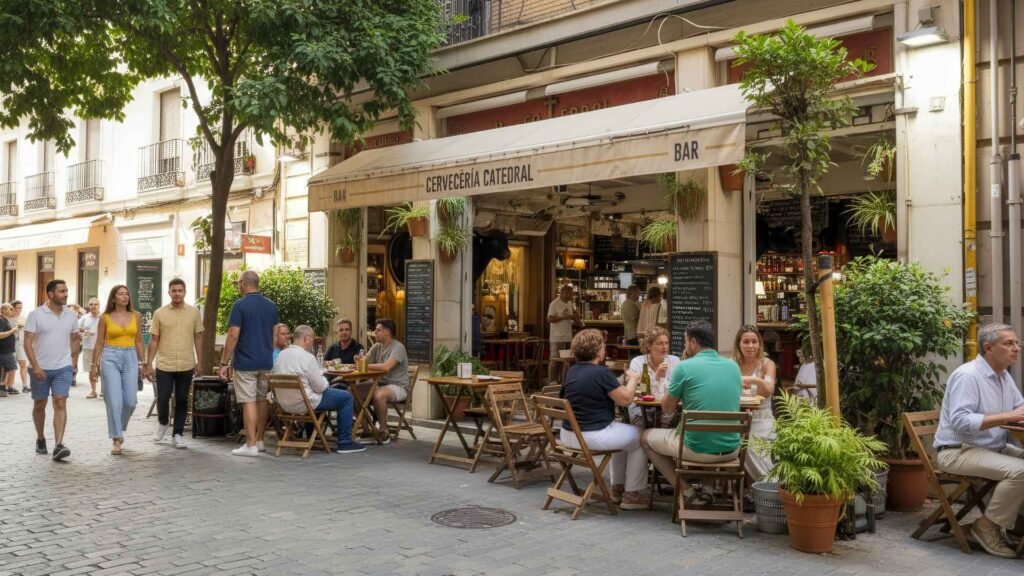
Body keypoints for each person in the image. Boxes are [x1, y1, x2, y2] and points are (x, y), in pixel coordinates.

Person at [933, 323, 1024, 559]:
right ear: (988, 348)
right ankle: (985, 526)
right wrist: (1010, 417)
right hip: (958, 451)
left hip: (991, 448)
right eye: (1009, 343)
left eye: (1017, 343)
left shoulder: (1003, 376)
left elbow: (1019, 408)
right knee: (1022, 471)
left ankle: (1016, 524)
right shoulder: (968, 375)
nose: (1016, 348)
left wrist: (1017, 415)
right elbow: (961, 421)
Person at [641, 321, 741, 503]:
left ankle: (686, 491)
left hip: (696, 449)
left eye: (686, 341)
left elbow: (667, 408)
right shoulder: (733, 366)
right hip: (731, 449)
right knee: (712, 432)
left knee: (646, 437)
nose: (685, 345)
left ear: (693, 343)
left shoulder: (684, 367)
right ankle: (708, 490)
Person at [560, 329, 649, 509]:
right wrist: (633, 379)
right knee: (641, 437)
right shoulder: (601, 372)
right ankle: (632, 495)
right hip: (590, 435)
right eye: (603, 346)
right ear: (598, 350)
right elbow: (625, 400)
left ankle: (617, 488)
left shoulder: (572, 371)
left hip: (568, 434)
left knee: (624, 434)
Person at [273, 325, 366, 454]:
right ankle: (345, 442)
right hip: (306, 403)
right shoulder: (307, 357)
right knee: (346, 397)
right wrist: (323, 377)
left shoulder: (281, 355)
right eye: (312, 339)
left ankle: (313, 434)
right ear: (307, 338)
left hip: (285, 405)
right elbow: (320, 387)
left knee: (333, 392)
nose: (312, 342)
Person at [219, 270, 278, 457]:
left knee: (248, 401)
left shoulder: (240, 305)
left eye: (238, 283)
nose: (238, 286)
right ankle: (259, 441)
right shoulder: (271, 306)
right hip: (266, 361)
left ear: (244, 283)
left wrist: (223, 362)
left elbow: (233, 335)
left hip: (246, 362)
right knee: (261, 400)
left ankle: (250, 444)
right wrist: (267, 351)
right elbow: (275, 336)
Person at [23, 280, 81, 461]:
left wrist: (73, 361)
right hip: (39, 368)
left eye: (66, 291)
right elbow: (27, 343)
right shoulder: (36, 315)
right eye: (62, 291)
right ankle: (40, 438)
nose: (66, 294)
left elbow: (74, 338)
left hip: (63, 367)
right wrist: (36, 366)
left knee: (60, 402)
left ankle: (59, 445)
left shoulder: (71, 316)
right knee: (40, 404)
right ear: (50, 294)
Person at [144, 279, 203, 449]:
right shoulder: (159, 313)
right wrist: (148, 363)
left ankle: (177, 433)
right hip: (165, 363)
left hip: (186, 363)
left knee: (182, 399)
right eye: (174, 290)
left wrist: (200, 361)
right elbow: (154, 339)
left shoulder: (194, 313)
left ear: (185, 292)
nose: (177, 293)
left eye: (180, 290)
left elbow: (198, 337)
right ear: (169, 292)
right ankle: (163, 423)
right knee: (162, 397)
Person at [89, 285, 143, 456]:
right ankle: (116, 438)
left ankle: (119, 427)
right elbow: (99, 343)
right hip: (110, 357)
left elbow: (139, 341)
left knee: (130, 401)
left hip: (131, 357)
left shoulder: (136, 316)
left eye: (127, 293)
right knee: (114, 401)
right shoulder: (105, 317)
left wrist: (145, 363)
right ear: (113, 298)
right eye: (121, 294)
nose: (125, 296)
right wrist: (93, 366)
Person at [732, 325, 777, 482]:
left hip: (761, 420)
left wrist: (753, 380)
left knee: (751, 448)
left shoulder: (766, 364)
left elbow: (768, 389)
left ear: (759, 344)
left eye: (754, 342)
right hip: (735, 419)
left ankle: (770, 487)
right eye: (746, 342)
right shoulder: (732, 365)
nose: (750, 346)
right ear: (739, 344)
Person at [365, 318, 409, 444]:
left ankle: (384, 430)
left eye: (378, 330)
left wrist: (365, 365)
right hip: (378, 384)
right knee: (350, 392)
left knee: (379, 395)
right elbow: (364, 360)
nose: (374, 332)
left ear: (387, 332)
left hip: (398, 386)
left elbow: (386, 367)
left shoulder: (398, 347)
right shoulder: (376, 347)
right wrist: (360, 359)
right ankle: (367, 428)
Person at [547, 284, 578, 382]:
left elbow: (574, 316)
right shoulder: (554, 303)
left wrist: (576, 317)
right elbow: (549, 318)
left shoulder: (570, 304)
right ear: (564, 292)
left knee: (567, 361)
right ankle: (552, 382)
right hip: (556, 338)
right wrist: (565, 317)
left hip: (568, 336)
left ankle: (564, 382)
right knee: (555, 360)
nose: (572, 295)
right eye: (570, 293)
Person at [75, 298, 101, 398]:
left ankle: (104, 390)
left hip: (102, 348)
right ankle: (93, 390)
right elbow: (75, 329)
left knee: (103, 369)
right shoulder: (85, 318)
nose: (93, 306)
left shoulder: (103, 317)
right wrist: (82, 334)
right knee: (91, 369)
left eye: (95, 304)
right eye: (91, 304)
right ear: (89, 306)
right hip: (88, 347)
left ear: (99, 305)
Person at [0, 303, 21, 396]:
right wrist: (13, 330)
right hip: (4, 351)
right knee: (7, 369)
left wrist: (15, 331)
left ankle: (6, 387)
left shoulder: (6, 320)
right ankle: (2, 388)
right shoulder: (1, 320)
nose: (12, 311)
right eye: (10, 309)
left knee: (9, 369)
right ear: (3, 310)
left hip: (8, 350)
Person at [12, 300, 29, 393]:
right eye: (17, 307)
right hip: (10, 345)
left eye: (20, 308)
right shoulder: (8, 318)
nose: (19, 309)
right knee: (11, 366)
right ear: (12, 308)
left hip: (20, 344)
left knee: (23, 363)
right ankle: (9, 385)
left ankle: (25, 385)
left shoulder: (23, 318)